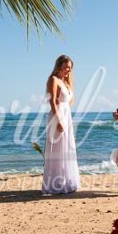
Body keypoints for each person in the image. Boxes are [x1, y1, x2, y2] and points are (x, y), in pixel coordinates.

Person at [41, 55, 80, 194]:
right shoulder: (54, 80)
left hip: (66, 116)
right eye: (64, 67)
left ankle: (66, 181)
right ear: (58, 66)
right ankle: (55, 184)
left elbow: (66, 103)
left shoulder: (66, 83)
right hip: (57, 116)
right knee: (58, 150)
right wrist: (58, 120)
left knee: (66, 149)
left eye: (69, 67)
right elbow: (52, 102)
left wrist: (66, 119)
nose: (66, 70)